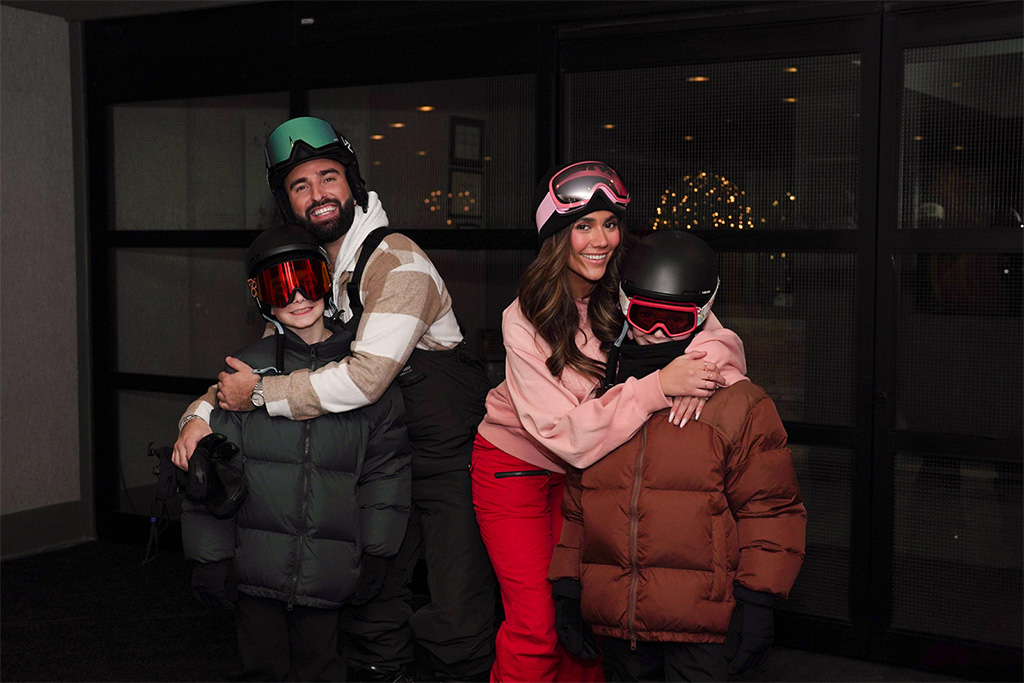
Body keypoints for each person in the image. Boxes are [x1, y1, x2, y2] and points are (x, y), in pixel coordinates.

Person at [173, 117, 497, 682]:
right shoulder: (320, 277)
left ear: (353, 186)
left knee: (456, 615)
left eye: (329, 178)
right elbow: (262, 362)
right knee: (371, 607)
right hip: (374, 459)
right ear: (288, 204)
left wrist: (262, 396)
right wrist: (197, 418)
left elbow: (366, 377)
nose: (319, 194)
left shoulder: (399, 262)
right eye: (301, 186)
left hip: (448, 465)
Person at [470, 161, 749, 682]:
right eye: (582, 226)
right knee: (538, 628)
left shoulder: (632, 279)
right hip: (520, 471)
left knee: (595, 623)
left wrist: (702, 366)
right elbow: (565, 437)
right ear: (556, 236)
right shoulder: (523, 318)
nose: (600, 240)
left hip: (600, 473)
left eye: (610, 223)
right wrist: (659, 386)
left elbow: (716, 333)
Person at [548, 230, 807, 682]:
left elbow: (771, 509)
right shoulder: (605, 396)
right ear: (626, 305)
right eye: (647, 316)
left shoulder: (738, 403)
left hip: (702, 628)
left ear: (704, 314)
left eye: (677, 320)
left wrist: (758, 599)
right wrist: (569, 587)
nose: (659, 334)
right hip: (621, 622)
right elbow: (579, 503)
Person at [181, 223, 412, 682]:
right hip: (255, 569)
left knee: (323, 670)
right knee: (261, 670)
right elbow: (210, 472)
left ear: (326, 279)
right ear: (260, 295)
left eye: (307, 279)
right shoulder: (242, 373)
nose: (297, 297)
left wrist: (379, 551)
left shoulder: (364, 370)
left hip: (331, 569)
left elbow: (386, 470)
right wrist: (210, 558)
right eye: (279, 286)